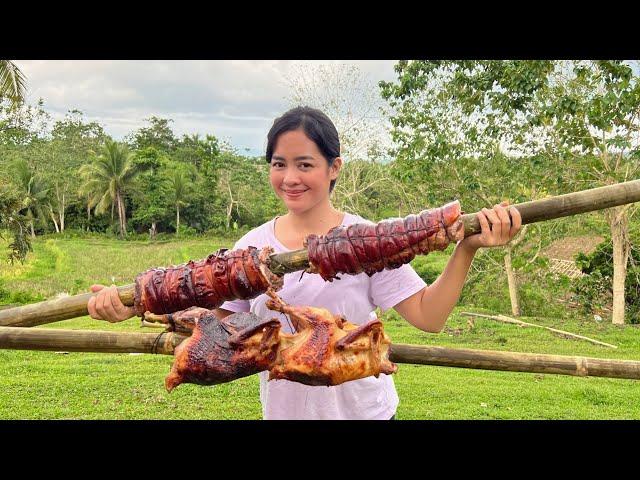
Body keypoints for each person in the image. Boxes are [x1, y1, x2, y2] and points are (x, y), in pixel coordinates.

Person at [88, 106, 522, 420]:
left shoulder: (366, 242)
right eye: (279, 164)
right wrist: (135, 305)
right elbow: (211, 323)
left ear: (334, 168)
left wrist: (466, 247)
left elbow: (429, 316)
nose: (290, 177)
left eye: (305, 164)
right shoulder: (252, 250)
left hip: (366, 414)